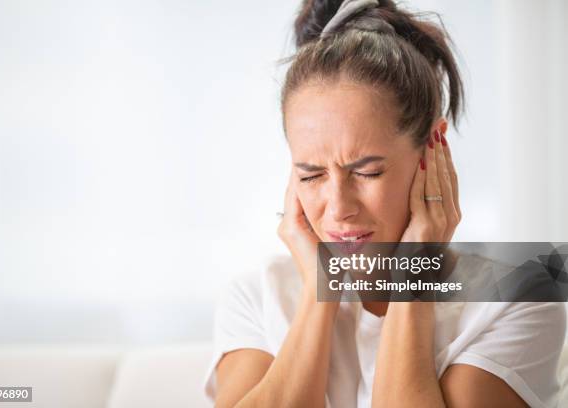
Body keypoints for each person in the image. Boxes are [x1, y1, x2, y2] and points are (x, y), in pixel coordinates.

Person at [203, 0, 567, 406]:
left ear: (433, 151)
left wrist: (416, 265)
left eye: (367, 172)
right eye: (311, 175)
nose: (339, 207)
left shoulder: (522, 296)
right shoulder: (256, 296)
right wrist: (321, 291)